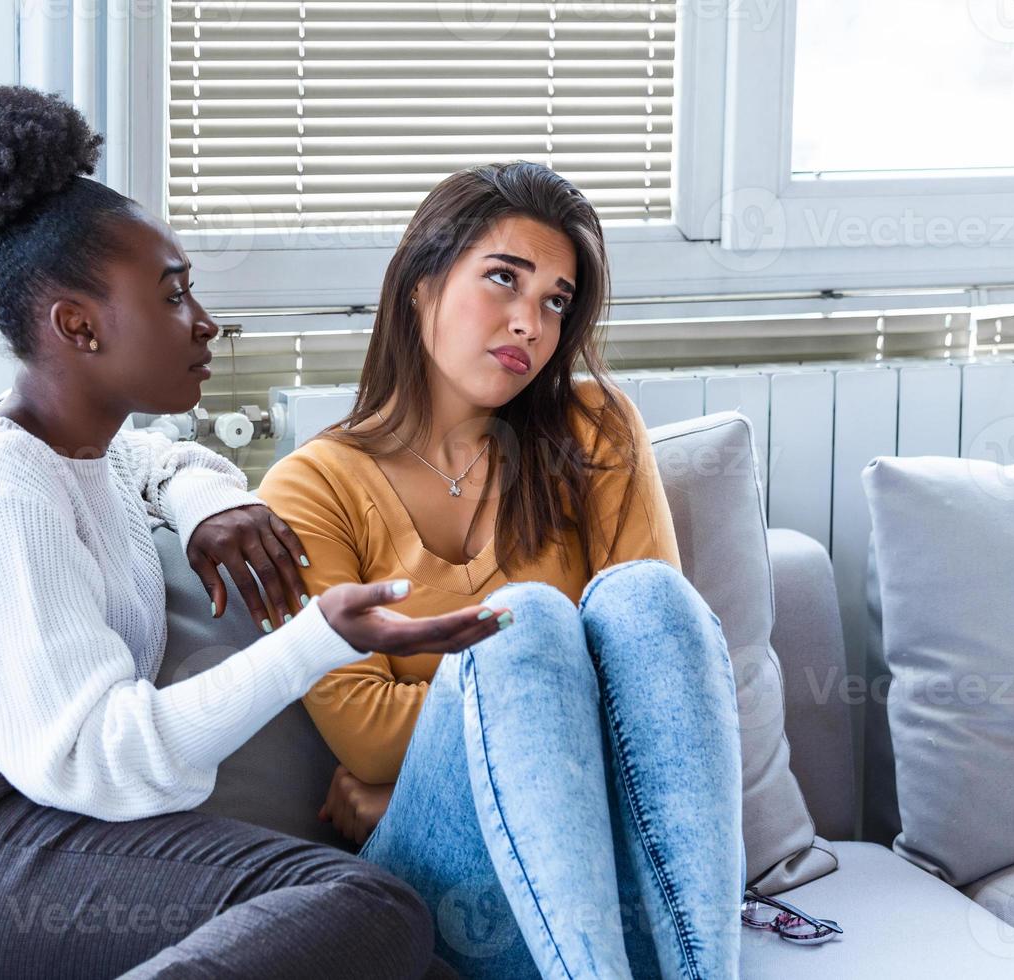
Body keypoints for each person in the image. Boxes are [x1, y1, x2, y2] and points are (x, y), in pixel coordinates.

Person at [0, 74, 513, 979]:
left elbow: (166, 461)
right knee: (360, 906)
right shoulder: (2, 489)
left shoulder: (79, 448)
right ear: (78, 327)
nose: (206, 325)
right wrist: (315, 642)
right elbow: (98, 758)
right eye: (172, 297)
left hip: (1, 844)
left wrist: (215, 504)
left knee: (422, 965)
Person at [256, 161, 747, 979]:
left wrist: (502, 720)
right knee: (526, 625)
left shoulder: (593, 429)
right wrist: (516, 702)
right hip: (450, 879)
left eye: (556, 301)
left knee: (648, 596)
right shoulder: (310, 487)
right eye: (502, 280)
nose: (531, 323)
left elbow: (656, 676)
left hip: (606, 861)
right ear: (421, 285)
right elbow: (365, 737)